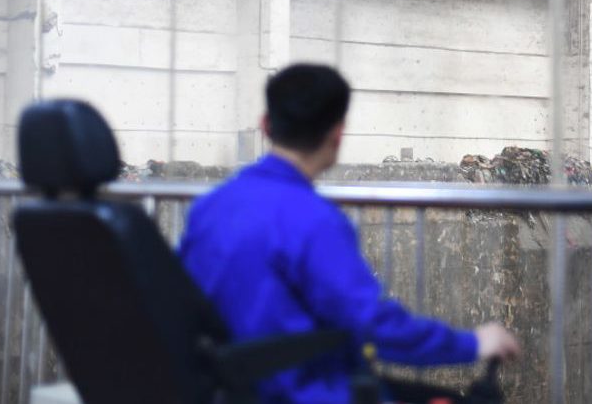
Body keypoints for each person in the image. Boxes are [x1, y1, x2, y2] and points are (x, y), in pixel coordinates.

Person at [179, 63, 520, 403]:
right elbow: (373, 325)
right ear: (337, 134)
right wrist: (472, 343)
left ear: (265, 125)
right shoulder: (316, 221)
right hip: (306, 391)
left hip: (229, 388)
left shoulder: (208, 208)